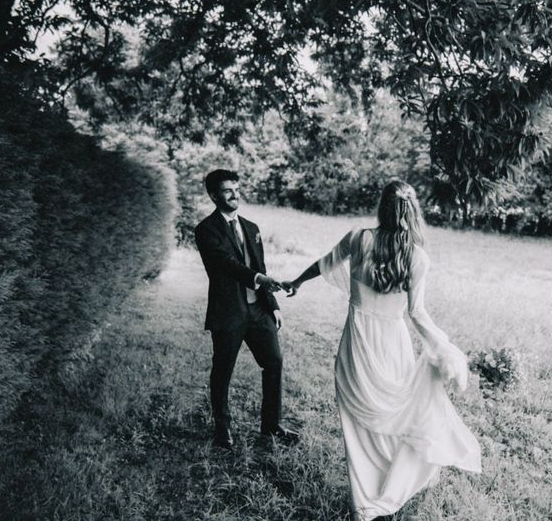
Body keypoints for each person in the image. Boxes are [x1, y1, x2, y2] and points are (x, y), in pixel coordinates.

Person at [283, 180, 481, 520]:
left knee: (358, 424)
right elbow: (417, 313)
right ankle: (390, 482)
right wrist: (441, 344)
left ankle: (365, 499)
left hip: (357, 342)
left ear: (382, 207)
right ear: (413, 212)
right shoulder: (417, 257)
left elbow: (324, 263)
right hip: (393, 343)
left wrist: (296, 282)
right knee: (394, 414)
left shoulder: (358, 238)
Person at [194, 169, 299, 450]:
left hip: (259, 312)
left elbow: (259, 267)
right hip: (228, 312)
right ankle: (223, 429)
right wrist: (262, 279)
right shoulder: (205, 230)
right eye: (228, 190)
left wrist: (273, 305)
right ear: (214, 195)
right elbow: (226, 264)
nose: (235, 194)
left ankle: (272, 426)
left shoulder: (252, 228)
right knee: (223, 371)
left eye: (237, 189)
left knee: (273, 363)